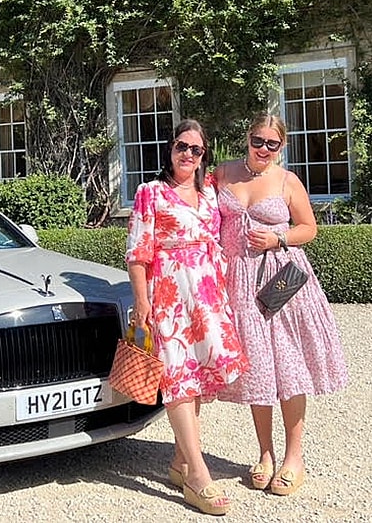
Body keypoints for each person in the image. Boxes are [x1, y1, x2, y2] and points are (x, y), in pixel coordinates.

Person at [211, 113, 348, 497]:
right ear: (247, 137)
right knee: (257, 369)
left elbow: (309, 227)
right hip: (237, 281)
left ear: (281, 146)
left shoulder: (288, 181)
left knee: (288, 367)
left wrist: (277, 240)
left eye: (272, 144)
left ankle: (294, 456)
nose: (264, 149)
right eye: (258, 141)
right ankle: (265, 453)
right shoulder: (223, 174)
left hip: (281, 282)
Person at [126, 119, 247, 516]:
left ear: (203, 157)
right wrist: (141, 301)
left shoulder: (209, 191)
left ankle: (179, 461)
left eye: (197, 150)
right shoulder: (150, 192)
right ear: (170, 148)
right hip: (170, 295)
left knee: (196, 376)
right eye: (182, 146)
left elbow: (248, 170)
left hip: (209, 296)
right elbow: (138, 253)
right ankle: (197, 475)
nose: (188, 155)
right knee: (177, 378)